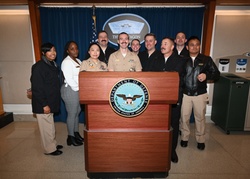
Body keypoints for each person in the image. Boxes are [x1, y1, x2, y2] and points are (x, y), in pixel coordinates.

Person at [180, 36, 220, 150]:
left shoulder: (206, 59)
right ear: (187, 47)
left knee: (200, 118)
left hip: (200, 94)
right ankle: (184, 138)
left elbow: (216, 74)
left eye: (197, 44)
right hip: (185, 94)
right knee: (184, 118)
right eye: (192, 44)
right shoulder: (182, 59)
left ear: (199, 46)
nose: (194, 46)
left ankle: (201, 139)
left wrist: (207, 75)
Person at [30, 42, 63, 156]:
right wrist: (44, 104)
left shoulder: (52, 65)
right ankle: (49, 149)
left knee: (50, 125)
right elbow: (37, 88)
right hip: (43, 103)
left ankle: (52, 143)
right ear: (44, 53)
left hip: (50, 101)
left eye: (54, 50)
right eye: (49, 51)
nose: (53, 53)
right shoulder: (39, 67)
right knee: (46, 128)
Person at [160, 37, 186, 163]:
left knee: (173, 124)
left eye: (165, 44)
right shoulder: (156, 59)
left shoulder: (180, 60)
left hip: (174, 97)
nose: (162, 45)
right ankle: (160, 149)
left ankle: (172, 151)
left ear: (172, 47)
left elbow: (174, 75)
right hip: (158, 98)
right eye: (161, 43)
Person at [61, 41, 83, 147]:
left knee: (77, 111)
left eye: (76, 48)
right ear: (67, 51)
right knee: (72, 113)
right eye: (72, 48)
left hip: (77, 89)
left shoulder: (78, 60)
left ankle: (76, 133)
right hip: (70, 89)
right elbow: (69, 78)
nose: (75, 50)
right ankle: (70, 137)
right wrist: (79, 89)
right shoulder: (66, 62)